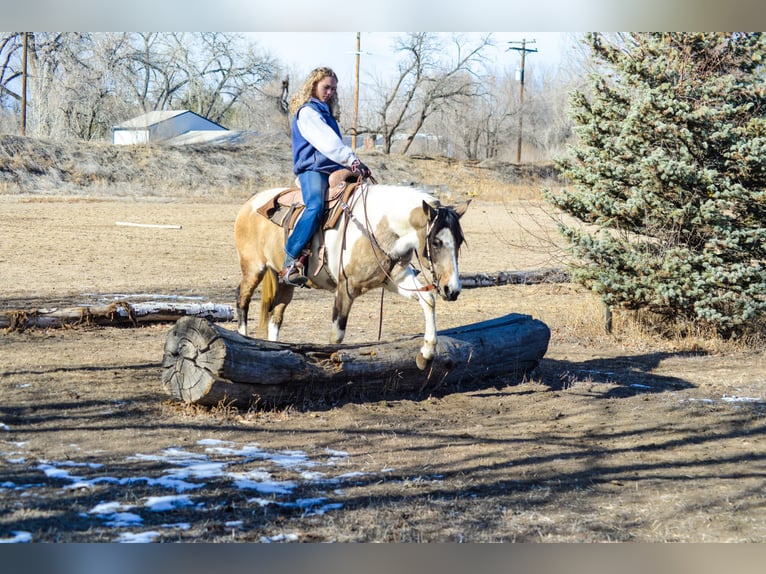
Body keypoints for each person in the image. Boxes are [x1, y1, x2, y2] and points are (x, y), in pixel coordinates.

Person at [280, 67, 372, 286]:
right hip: (312, 170)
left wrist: (355, 166)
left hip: (332, 169)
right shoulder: (308, 112)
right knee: (315, 206)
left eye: (333, 89)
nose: (329, 92)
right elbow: (329, 144)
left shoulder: (326, 114)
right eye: (326, 87)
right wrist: (352, 160)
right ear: (313, 85)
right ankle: (290, 261)